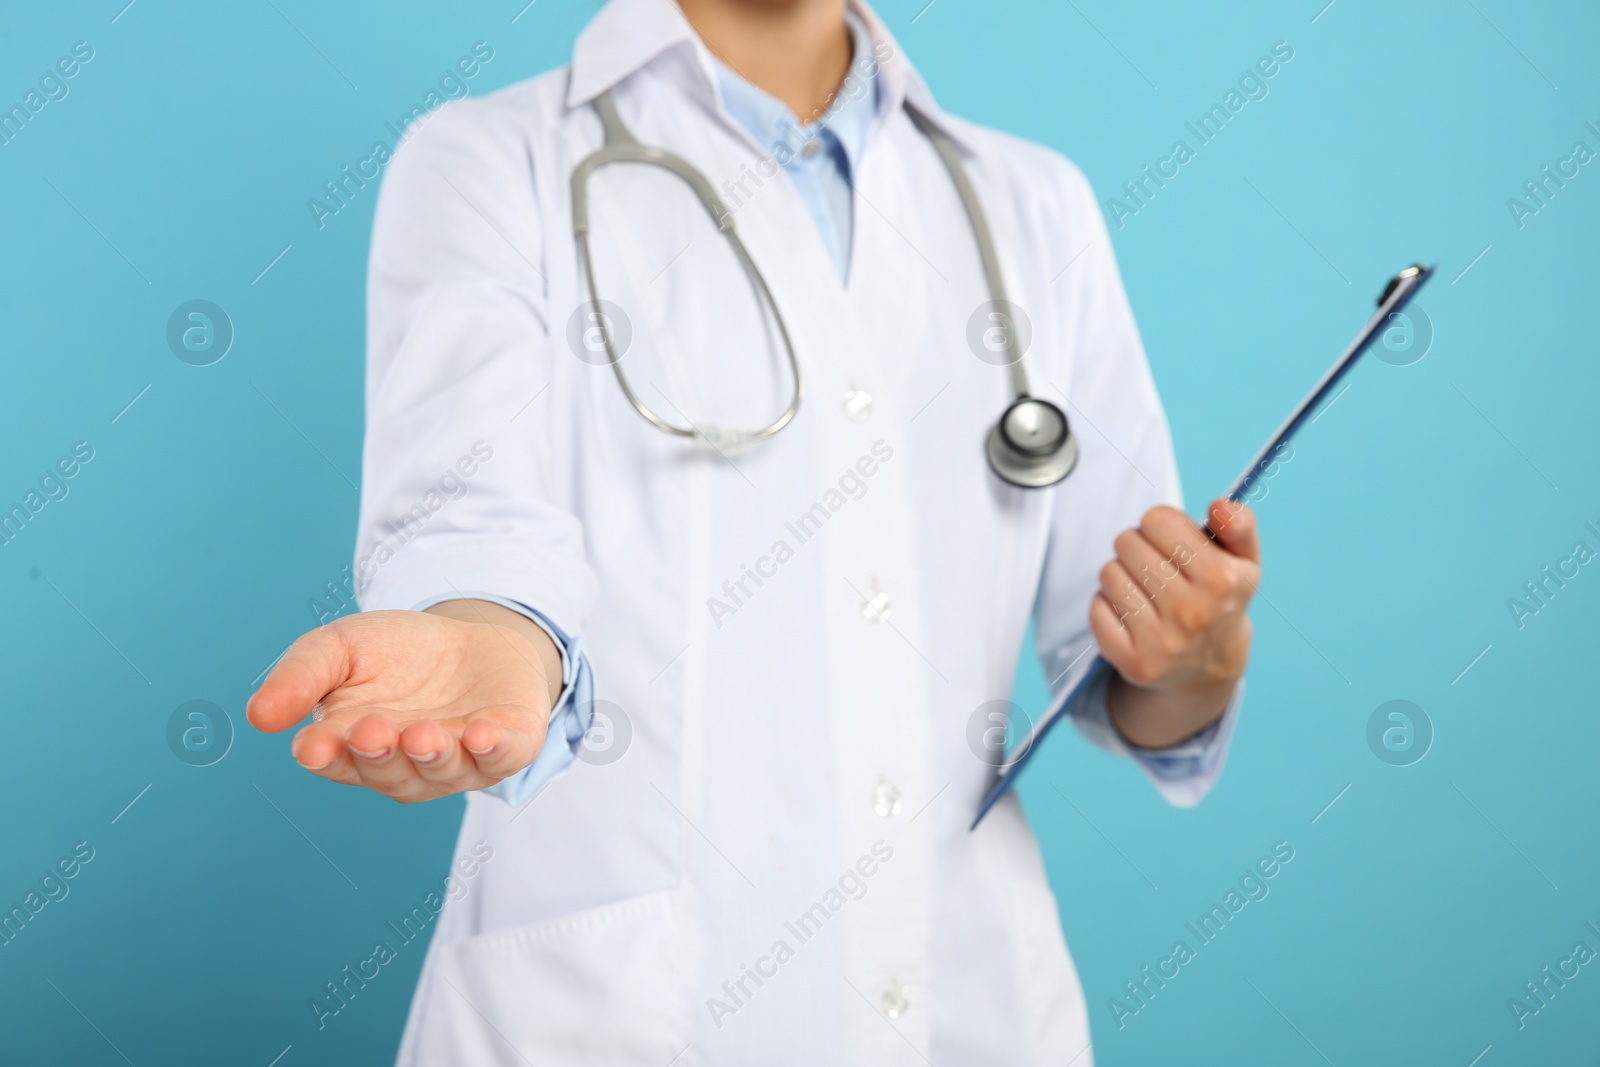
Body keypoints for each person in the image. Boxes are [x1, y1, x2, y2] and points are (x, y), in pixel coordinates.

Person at [246, 0, 1262, 1061]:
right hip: (611, 1017)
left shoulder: (1032, 207)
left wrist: (1197, 654)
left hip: (975, 1004)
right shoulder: (490, 161)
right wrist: (487, 631)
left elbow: (1119, 659)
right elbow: (468, 507)